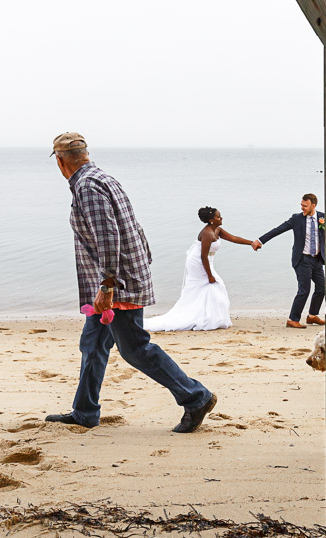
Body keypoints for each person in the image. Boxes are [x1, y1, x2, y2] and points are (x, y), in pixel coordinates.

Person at [44, 133, 218, 433]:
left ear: (61, 162)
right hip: (122, 275)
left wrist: (108, 283)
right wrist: (138, 264)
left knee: (134, 347)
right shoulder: (103, 178)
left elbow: (108, 236)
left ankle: (195, 396)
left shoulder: (87, 187)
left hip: (116, 282)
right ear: (85, 155)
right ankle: (85, 412)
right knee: (94, 344)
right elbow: (134, 226)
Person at [146, 207, 261, 332]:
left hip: (207, 260)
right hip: (198, 262)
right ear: (211, 220)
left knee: (211, 287)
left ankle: (209, 316)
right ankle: (202, 317)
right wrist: (209, 275)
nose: (221, 218)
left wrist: (251, 243)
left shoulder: (217, 229)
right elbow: (203, 256)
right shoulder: (207, 233)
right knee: (211, 284)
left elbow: (233, 238)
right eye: (218, 216)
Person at [259, 192, 326, 329]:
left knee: (322, 288)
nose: (302, 208)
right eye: (301, 205)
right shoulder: (296, 219)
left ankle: (312, 315)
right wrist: (260, 241)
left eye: (305, 206)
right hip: (302, 259)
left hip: (317, 259)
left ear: (313, 205)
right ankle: (292, 319)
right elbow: (278, 229)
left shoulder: (323, 218)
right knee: (304, 290)